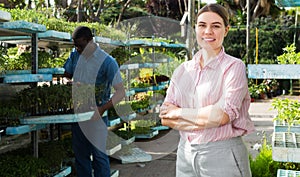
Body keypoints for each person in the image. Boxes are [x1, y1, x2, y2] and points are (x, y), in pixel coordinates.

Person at [159, 3, 255, 177]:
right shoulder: (182, 70)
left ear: (226, 30)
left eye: (216, 26)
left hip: (222, 156)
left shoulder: (233, 67)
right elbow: (165, 118)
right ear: (195, 28)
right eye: (202, 25)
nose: (208, 31)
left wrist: (178, 112)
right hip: (185, 155)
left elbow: (223, 116)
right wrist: (205, 118)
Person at [63, 26, 125, 177]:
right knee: (81, 156)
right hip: (78, 115)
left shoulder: (108, 62)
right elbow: (66, 75)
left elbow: (120, 92)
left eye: (81, 45)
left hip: (97, 116)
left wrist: (102, 109)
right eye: (75, 45)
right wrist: (69, 83)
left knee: (99, 157)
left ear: (90, 41)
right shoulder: (75, 54)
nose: (77, 49)